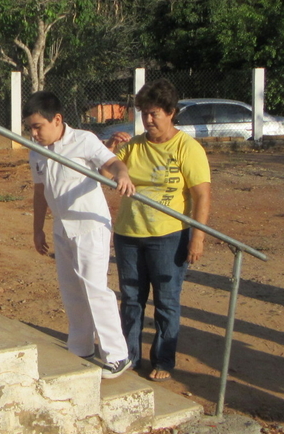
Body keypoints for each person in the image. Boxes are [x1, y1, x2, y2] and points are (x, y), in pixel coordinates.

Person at [105, 79, 211, 381]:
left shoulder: (187, 148)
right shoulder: (134, 145)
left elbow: (202, 195)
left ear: (171, 113)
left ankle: (163, 360)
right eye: (144, 114)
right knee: (132, 299)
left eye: (154, 114)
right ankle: (130, 356)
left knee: (166, 300)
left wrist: (197, 237)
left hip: (168, 237)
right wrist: (111, 149)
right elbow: (103, 172)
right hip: (129, 234)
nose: (148, 120)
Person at [24, 91, 135, 378]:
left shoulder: (84, 140)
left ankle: (117, 355)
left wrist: (122, 175)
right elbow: (40, 192)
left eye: (38, 126)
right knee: (71, 289)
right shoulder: (36, 150)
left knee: (95, 289)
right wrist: (38, 229)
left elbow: (111, 163)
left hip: (90, 226)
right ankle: (81, 346)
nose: (34, 133)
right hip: (62, 227)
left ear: (57, 119)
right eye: (30, 128)